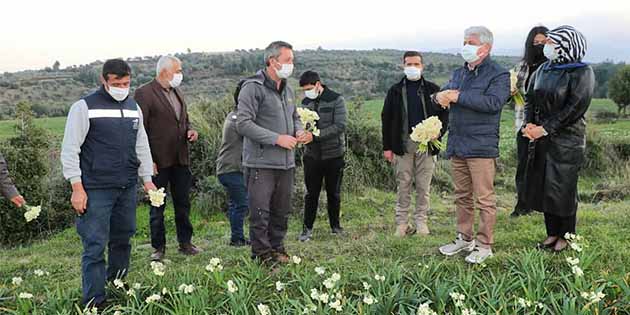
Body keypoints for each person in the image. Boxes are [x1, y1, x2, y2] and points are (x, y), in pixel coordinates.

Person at [61, 59, 156, 308]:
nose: (122, 87)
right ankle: (94, 302)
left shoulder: (134, 107)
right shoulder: (84, 107)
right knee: (94, 245)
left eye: (126, 83)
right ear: (104, 80)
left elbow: (141, 145)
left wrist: (147, 181)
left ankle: (118, 286)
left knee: (123, 240)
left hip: (126, 186)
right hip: (95, 188)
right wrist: (76, 188)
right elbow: (70, 149)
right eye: (117, 83)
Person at [434, 26, 510, 264]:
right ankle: (464, 238)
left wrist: (457, 97)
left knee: (484, 198)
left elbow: (494, 103)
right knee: (462, 196)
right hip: (458, 143)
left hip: (481, 146)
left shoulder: (499, 75)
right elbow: (444, 93)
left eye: (471, 42)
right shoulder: (459, 73)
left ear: (485, 47)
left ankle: (485, 244)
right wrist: (438, 97)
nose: (465, 45)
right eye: (464, 41)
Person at [236, 41, 311, 264]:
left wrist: (299, 131)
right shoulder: (252, 87)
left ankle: (277, 249)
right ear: (273, 61)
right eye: (288, 60)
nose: (292, 64)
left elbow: (294, 116)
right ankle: (262, 255)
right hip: (261, 163)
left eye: (292, 60)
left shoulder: (287, 89)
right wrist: (277, 139)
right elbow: (243, 123)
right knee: (260, 213)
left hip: (286, 163)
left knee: (281, 210)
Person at [520, 25, 594, 252]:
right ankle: (551, 233)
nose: (546, 46)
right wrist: (529, 124)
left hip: (567, 139)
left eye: (551, 43)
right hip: (542, 136)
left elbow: (575, 108)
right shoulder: (543, 69)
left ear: (565, 46)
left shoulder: (582, 72)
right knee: (545, 187)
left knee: (563, 188)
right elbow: (530, 98)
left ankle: (566, 236)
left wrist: (545, 129)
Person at [135, 56, 201, 261]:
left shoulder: (177, 91)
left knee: (183, 203)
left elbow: (184, 120)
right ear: (164, 71)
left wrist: (191, 131)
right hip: (157, 161)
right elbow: (140, 129)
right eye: (178, 70)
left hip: (180, 158)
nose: (180, 74)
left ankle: (185, 243)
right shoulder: (144, 93)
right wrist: (148, 161)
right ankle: (158, 248)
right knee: (157, 206)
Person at [381, 51, 448, 237]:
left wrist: (438, 132)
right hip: (402, 144)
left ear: (422, 66)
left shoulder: (433, 89)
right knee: (403, 184)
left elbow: (445, 114)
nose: (413, 67)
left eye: (416, 64)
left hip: (427, 144)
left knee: (423, 186)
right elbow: (386, 119)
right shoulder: (395, 91)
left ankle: (421, 222)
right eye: (409, 64)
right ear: (403, 66)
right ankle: (402, 223)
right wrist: (387, 147)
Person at [297, 70, 347, 242]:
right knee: (311, 194)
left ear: (318, 84)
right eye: (304, 89)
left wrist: (315, 136)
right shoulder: (305, 102)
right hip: (312, 156)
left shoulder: (336, 99)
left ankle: (335, 226)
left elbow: (340, 126)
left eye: (309, 88)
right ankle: (307, 229)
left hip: (334, 155)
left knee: (334, 193)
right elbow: (300, 123)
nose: (307, 92)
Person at [511, 25, 549, 217]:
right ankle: (522, 204)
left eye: (543, 43)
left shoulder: (553, 67)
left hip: (545, 126)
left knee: (543, 166)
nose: (539, 46)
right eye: (536, 43)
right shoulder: (521, 67)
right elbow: (512, 93)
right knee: (523, 165)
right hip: (523, 124)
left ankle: (542, 204)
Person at [217, 95, 249, 247]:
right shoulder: (238, 119)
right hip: (231, 168)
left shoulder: (234, 115)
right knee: (241, 204)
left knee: (235, 203)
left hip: (228, 167)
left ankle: (237, 237)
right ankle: (237, 239)